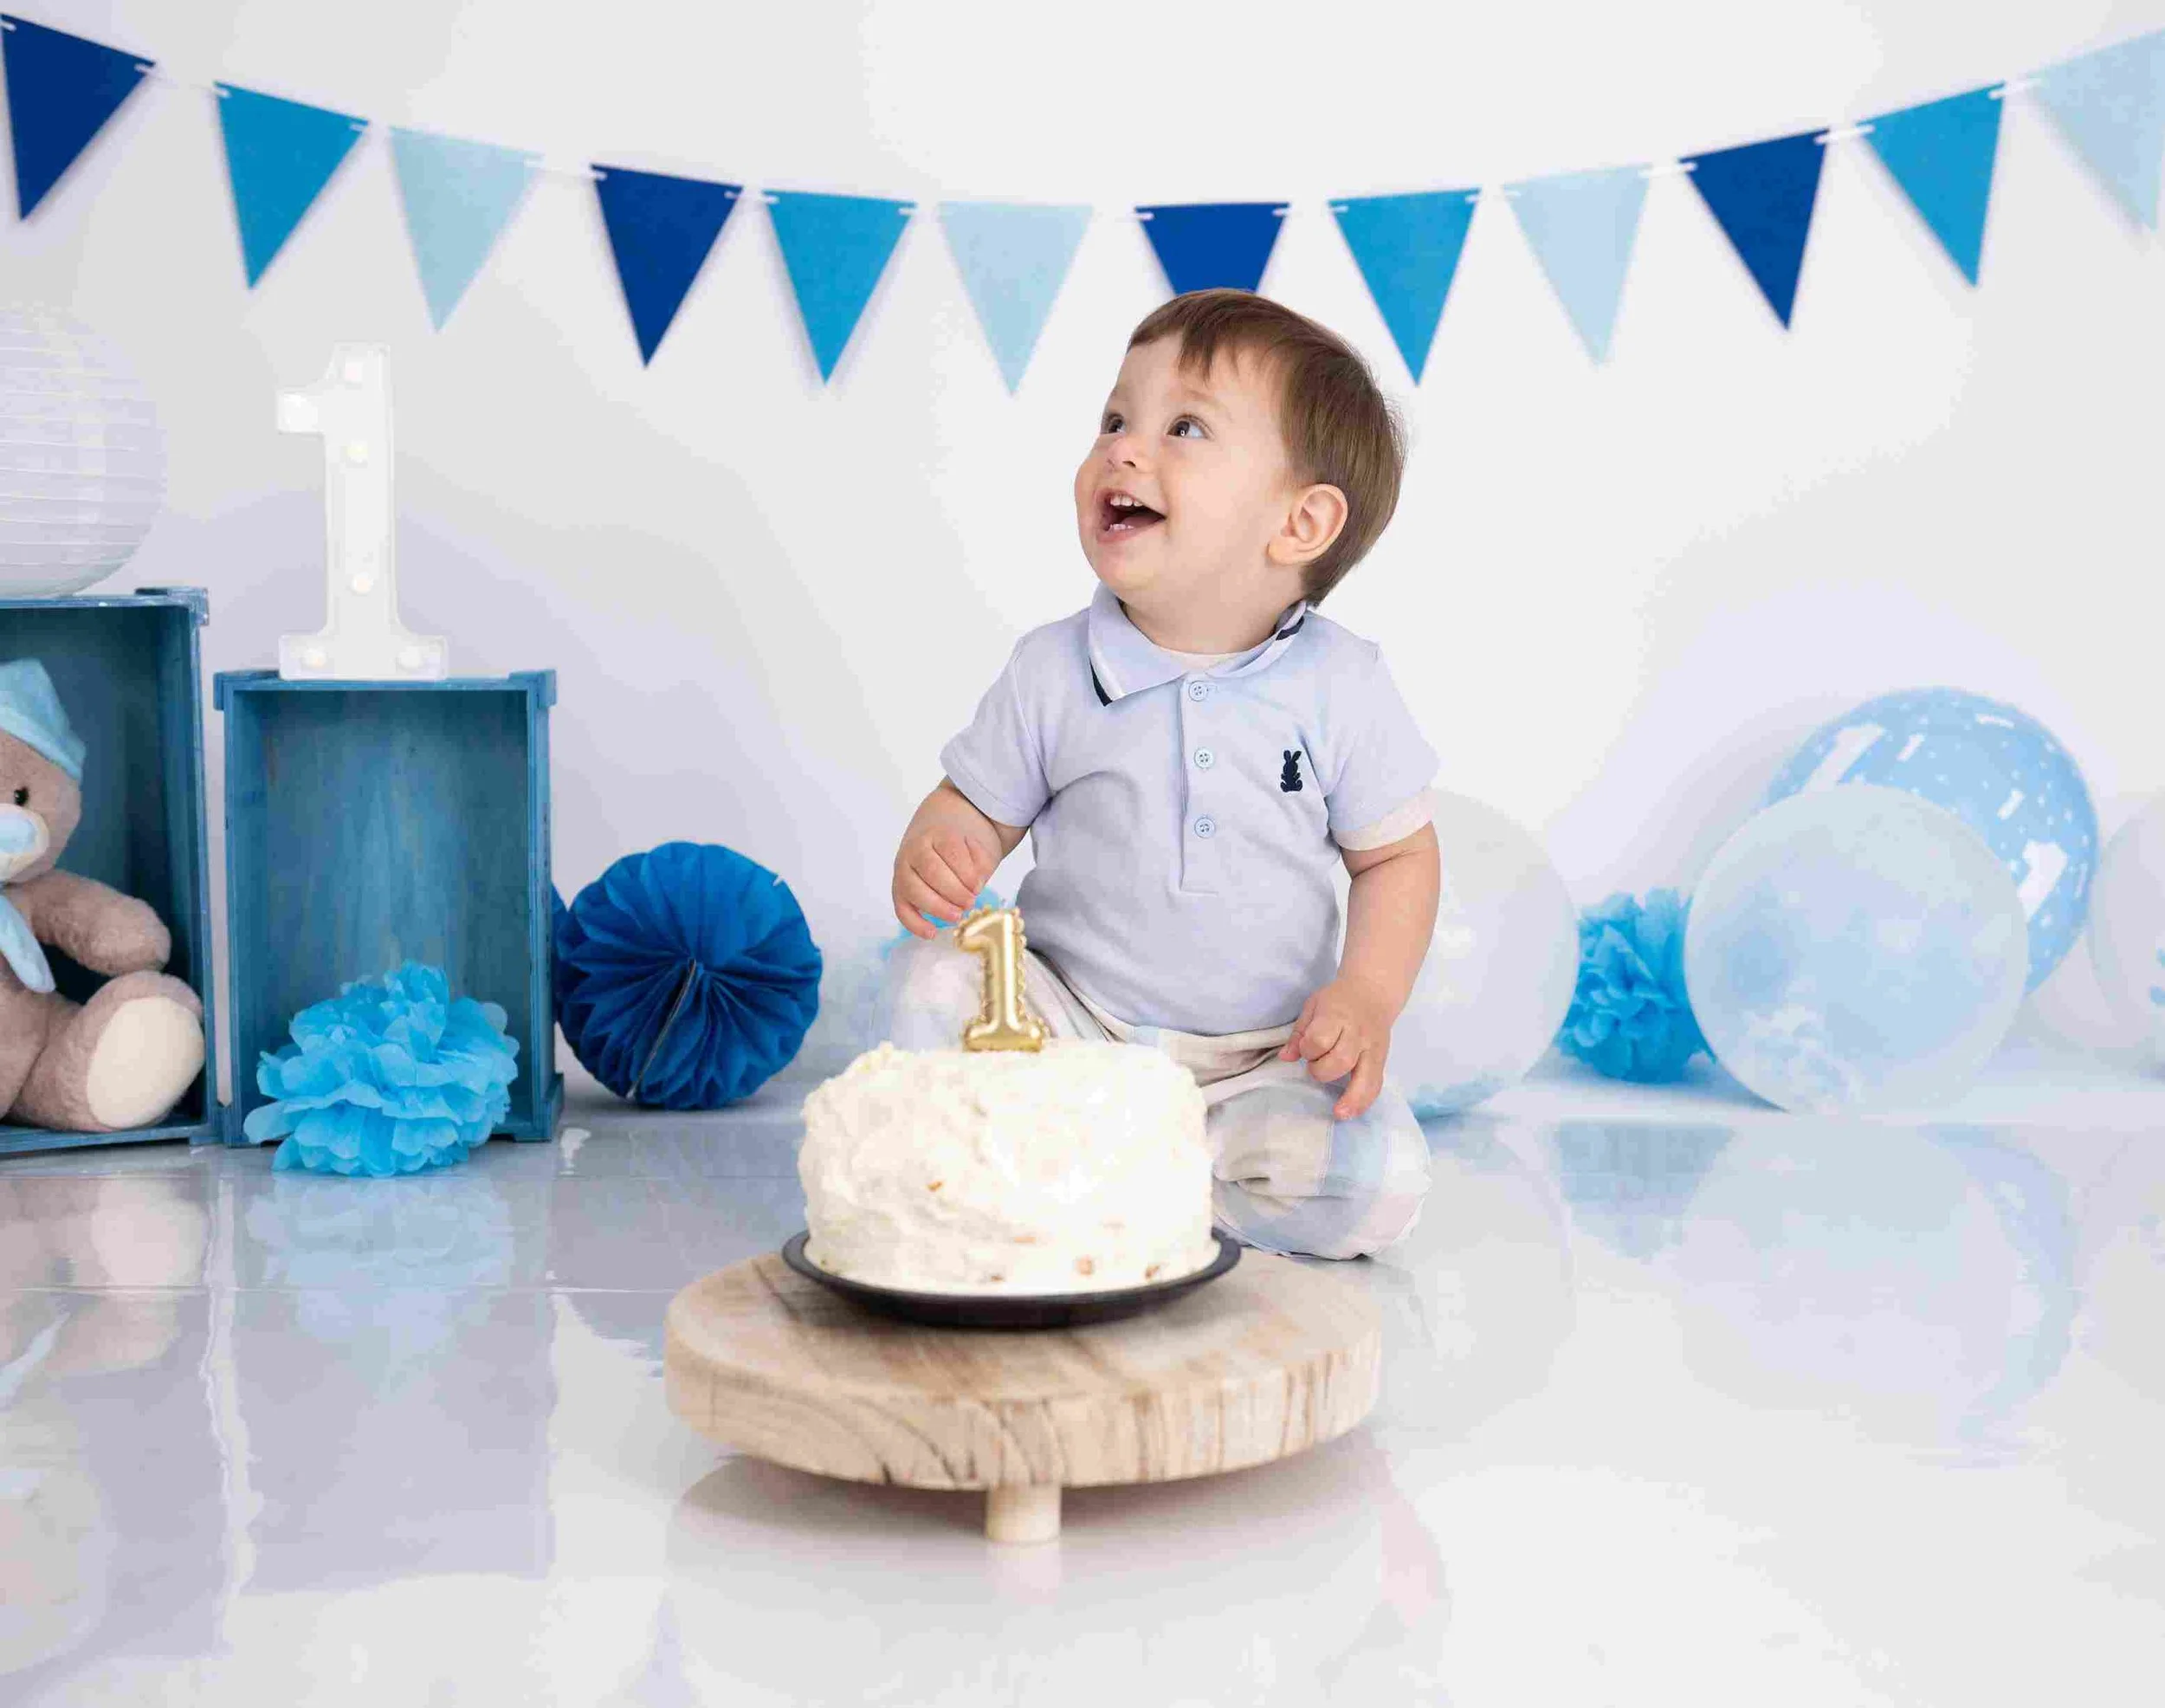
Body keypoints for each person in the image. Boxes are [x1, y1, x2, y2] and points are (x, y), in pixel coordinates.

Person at [887, 288, 1439, 1259]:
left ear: (1300, 523)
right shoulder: (1054, 669)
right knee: (931, 986)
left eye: (1183, 426)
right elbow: (972, 806)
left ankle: (1133, 1185)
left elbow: (1396, 858)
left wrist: (1366, 994)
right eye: (1113, 419)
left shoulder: (1341, 685)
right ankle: (1058, 1156)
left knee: (1378, 1185)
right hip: (1070, 1029)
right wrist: (940, 847)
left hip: (1260, 1057)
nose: (1123, 449)